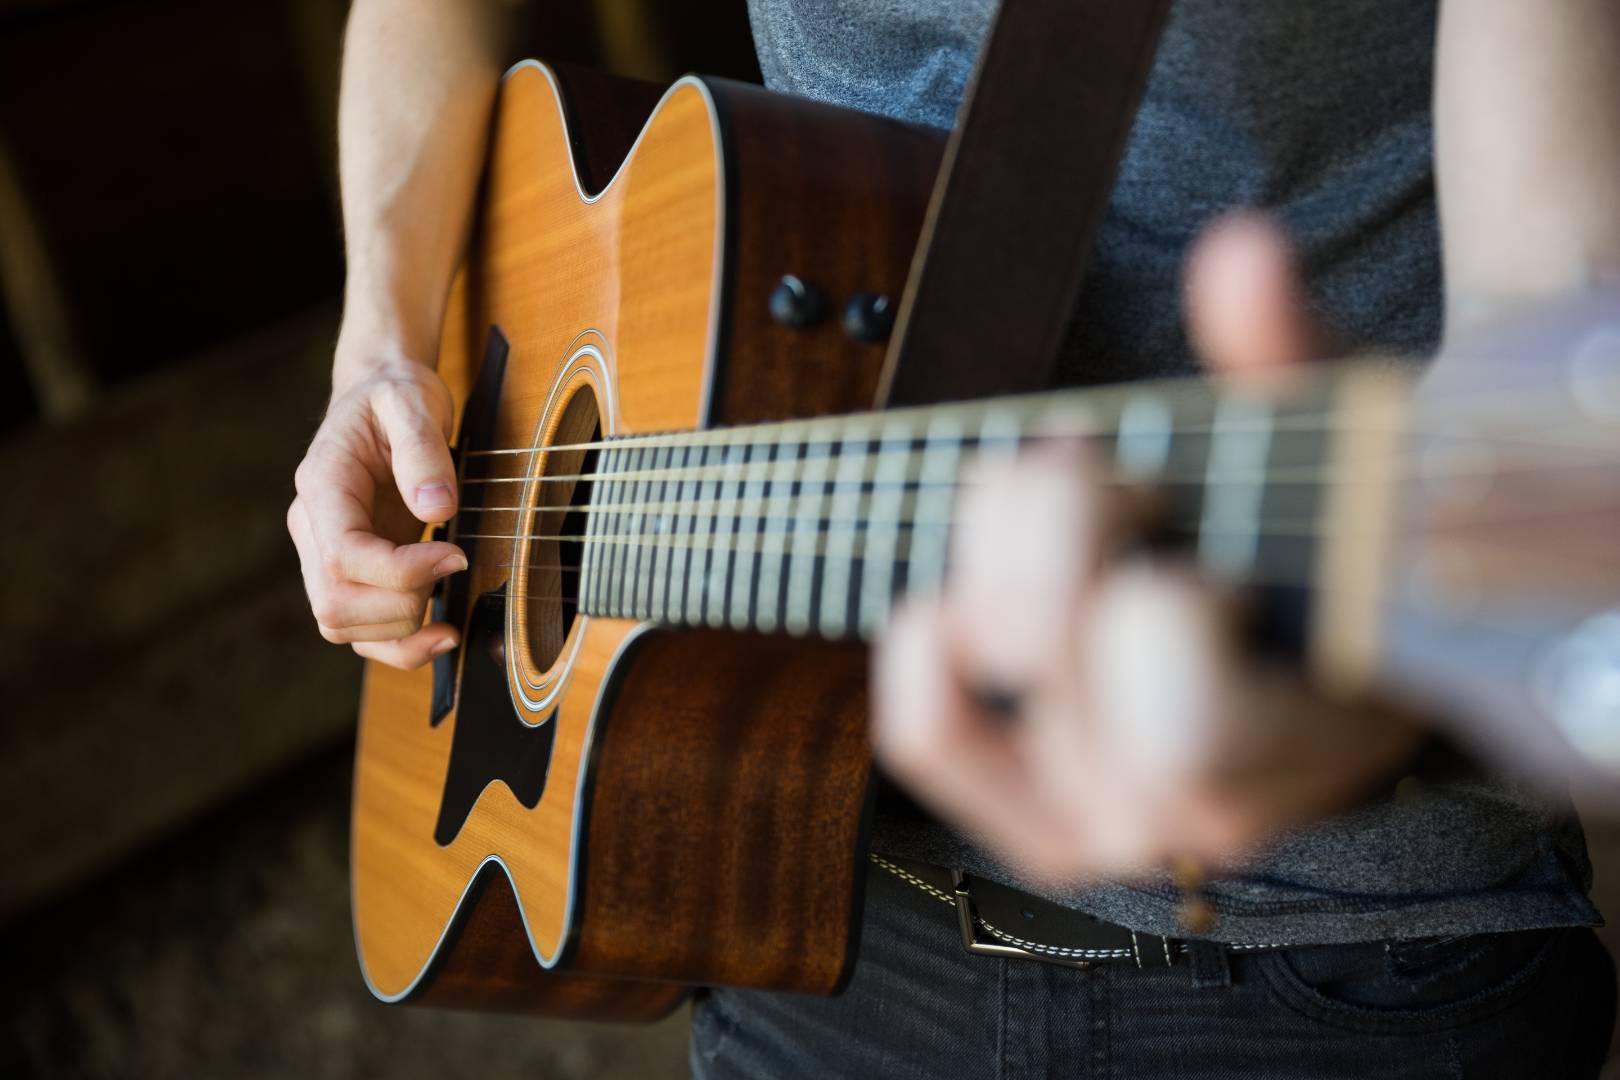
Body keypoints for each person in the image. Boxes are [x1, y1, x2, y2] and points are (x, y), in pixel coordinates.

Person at [287, 1, 1620, 1076]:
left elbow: (1561, 340)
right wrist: (381, 348)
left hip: (1339, 966)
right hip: (806, 892)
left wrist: (1379, 695)